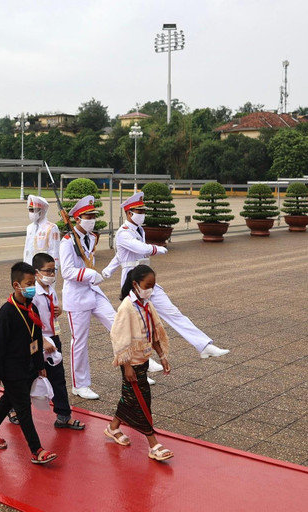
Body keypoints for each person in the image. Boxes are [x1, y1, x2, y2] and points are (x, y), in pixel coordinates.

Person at [102, 192, 229, 361]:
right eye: (138, 212)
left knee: (172, 312)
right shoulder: (123, 233)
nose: (142, 215)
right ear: (128, 213)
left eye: (142, 211)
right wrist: (155, 249)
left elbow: (121, 254)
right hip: (132, 282)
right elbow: (139, 248)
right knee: (134, 326)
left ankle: (204, 345)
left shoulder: (138, 230)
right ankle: (137, 364)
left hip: (146, 279)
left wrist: (108, 269)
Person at [0, 262, 58, 465]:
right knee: (23, 407)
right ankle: (36, 450)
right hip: (11, 368)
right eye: (29, 283)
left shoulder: (31, 306)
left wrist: (39, 364)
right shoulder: (7, 312)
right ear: (17, 285)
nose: (33, 286)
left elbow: (36, 338)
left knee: (9, 399)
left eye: (33, 282)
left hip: (29, 365)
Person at [105, 264, 173, 462]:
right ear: (135, 284)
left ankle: (113, 427)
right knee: (142, 401)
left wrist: (162, 355)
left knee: (129, 398)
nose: (150, 288)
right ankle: (154, 444)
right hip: (131, 363)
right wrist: (126, 366)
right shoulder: (127, 307)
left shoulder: (146, 303)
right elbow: (119, 337)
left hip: (143, 360)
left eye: (153, 285)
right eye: (147, 284)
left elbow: (153, 332)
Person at [59, 195, 116, 400]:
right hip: (77, 295)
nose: (92, 219)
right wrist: (91, 274)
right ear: (76, 218)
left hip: (93, 291)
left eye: (93, 215)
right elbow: (66, 272)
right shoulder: (67, 241)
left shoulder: (91, 237)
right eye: (88, 216)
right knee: (79, 341)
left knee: (118, 323)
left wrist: (92, 276)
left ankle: (136, 365)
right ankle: (80, 385)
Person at [32, 252, 84, 430]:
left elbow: (50, 311)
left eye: (53, 271)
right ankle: (14, 409)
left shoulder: (50, 289)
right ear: (36, 272)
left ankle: (63, 415)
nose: (51, 275)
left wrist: (58, 310)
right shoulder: (33, 293)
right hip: (38, 339)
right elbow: (27, 321)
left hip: (53, 337)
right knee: (27, 377)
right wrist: (41, 340)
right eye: (47, 271)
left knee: (57, 377)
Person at [23, 195, 60, 268]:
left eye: (35, 210)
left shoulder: (51, 228)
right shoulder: (30, 228)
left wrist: (54, 269)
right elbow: (26, 250)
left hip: (44, 269)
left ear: (42, 210)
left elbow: (54, 251)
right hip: (29, 267)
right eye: (30, 210)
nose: (32, 212)